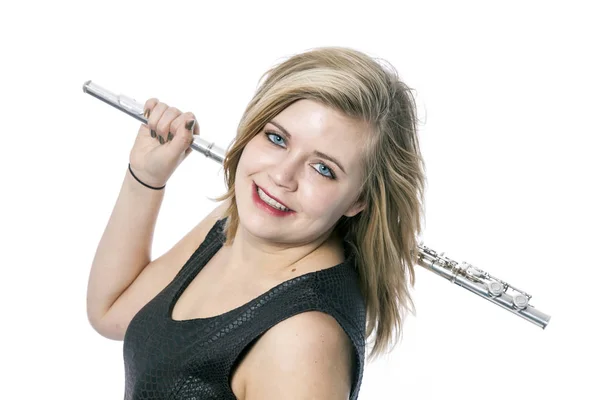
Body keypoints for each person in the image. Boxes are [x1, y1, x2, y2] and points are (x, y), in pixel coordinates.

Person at [87, 46, 426, 400]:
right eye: (276, 138)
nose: (282, 176)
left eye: (323, 169)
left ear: (359, 199)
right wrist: (146, 176)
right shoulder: (236, 224)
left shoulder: (302, 343)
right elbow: (112, 311)